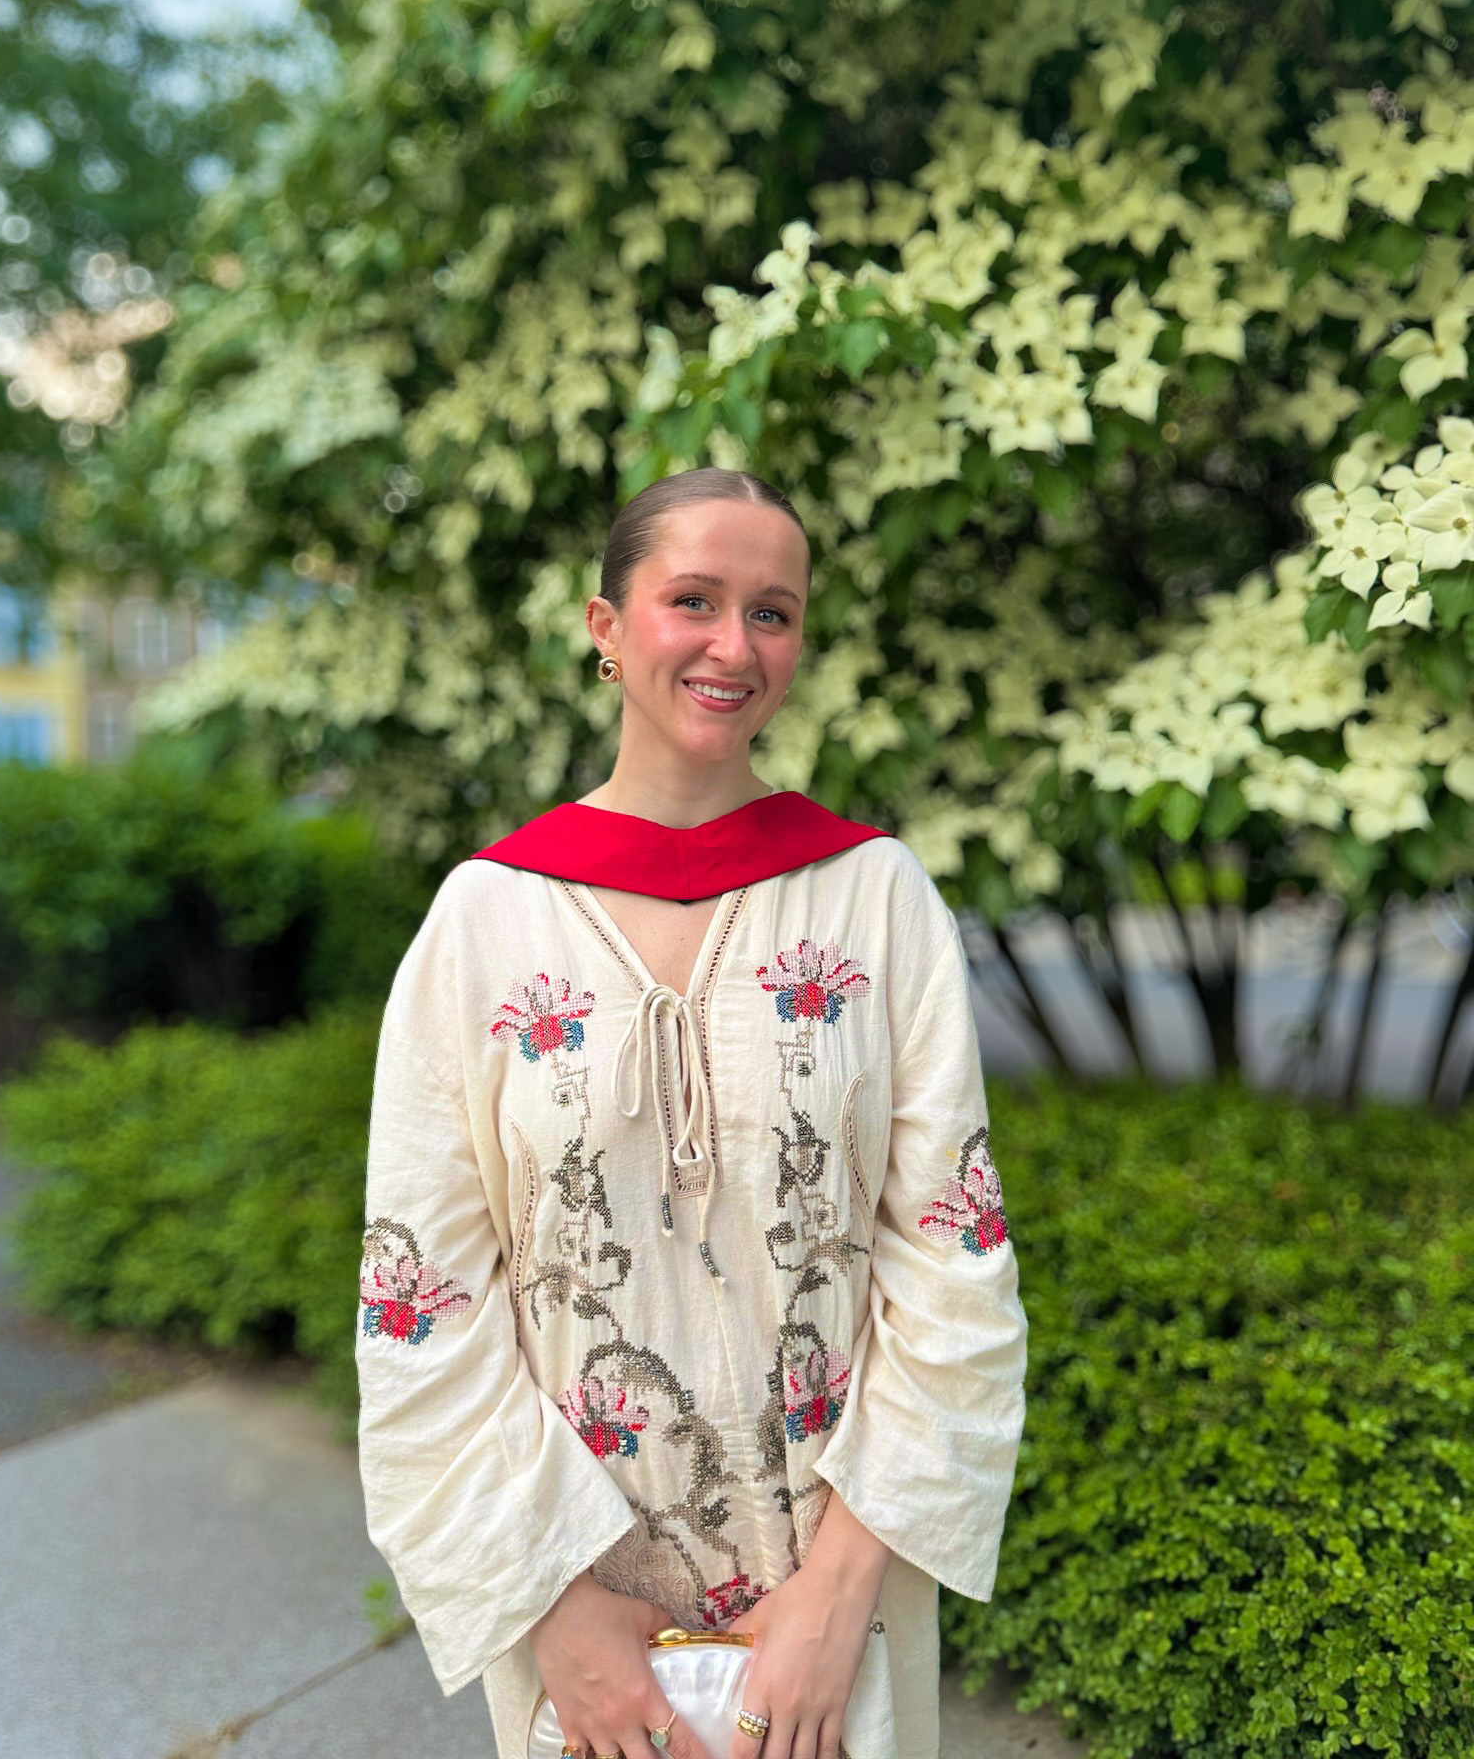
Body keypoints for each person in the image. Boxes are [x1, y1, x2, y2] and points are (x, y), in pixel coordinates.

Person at [356, 468, 1029, 1759]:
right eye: (695, 601)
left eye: (773, 613)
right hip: (582, 1628)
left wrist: (838, 1595)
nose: (735, 645)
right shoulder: (485, 922)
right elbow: (423, 1300)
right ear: (606, 627)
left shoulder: (874, 899)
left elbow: (954, 1263)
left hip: (838, 1613)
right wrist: (556, 1612)